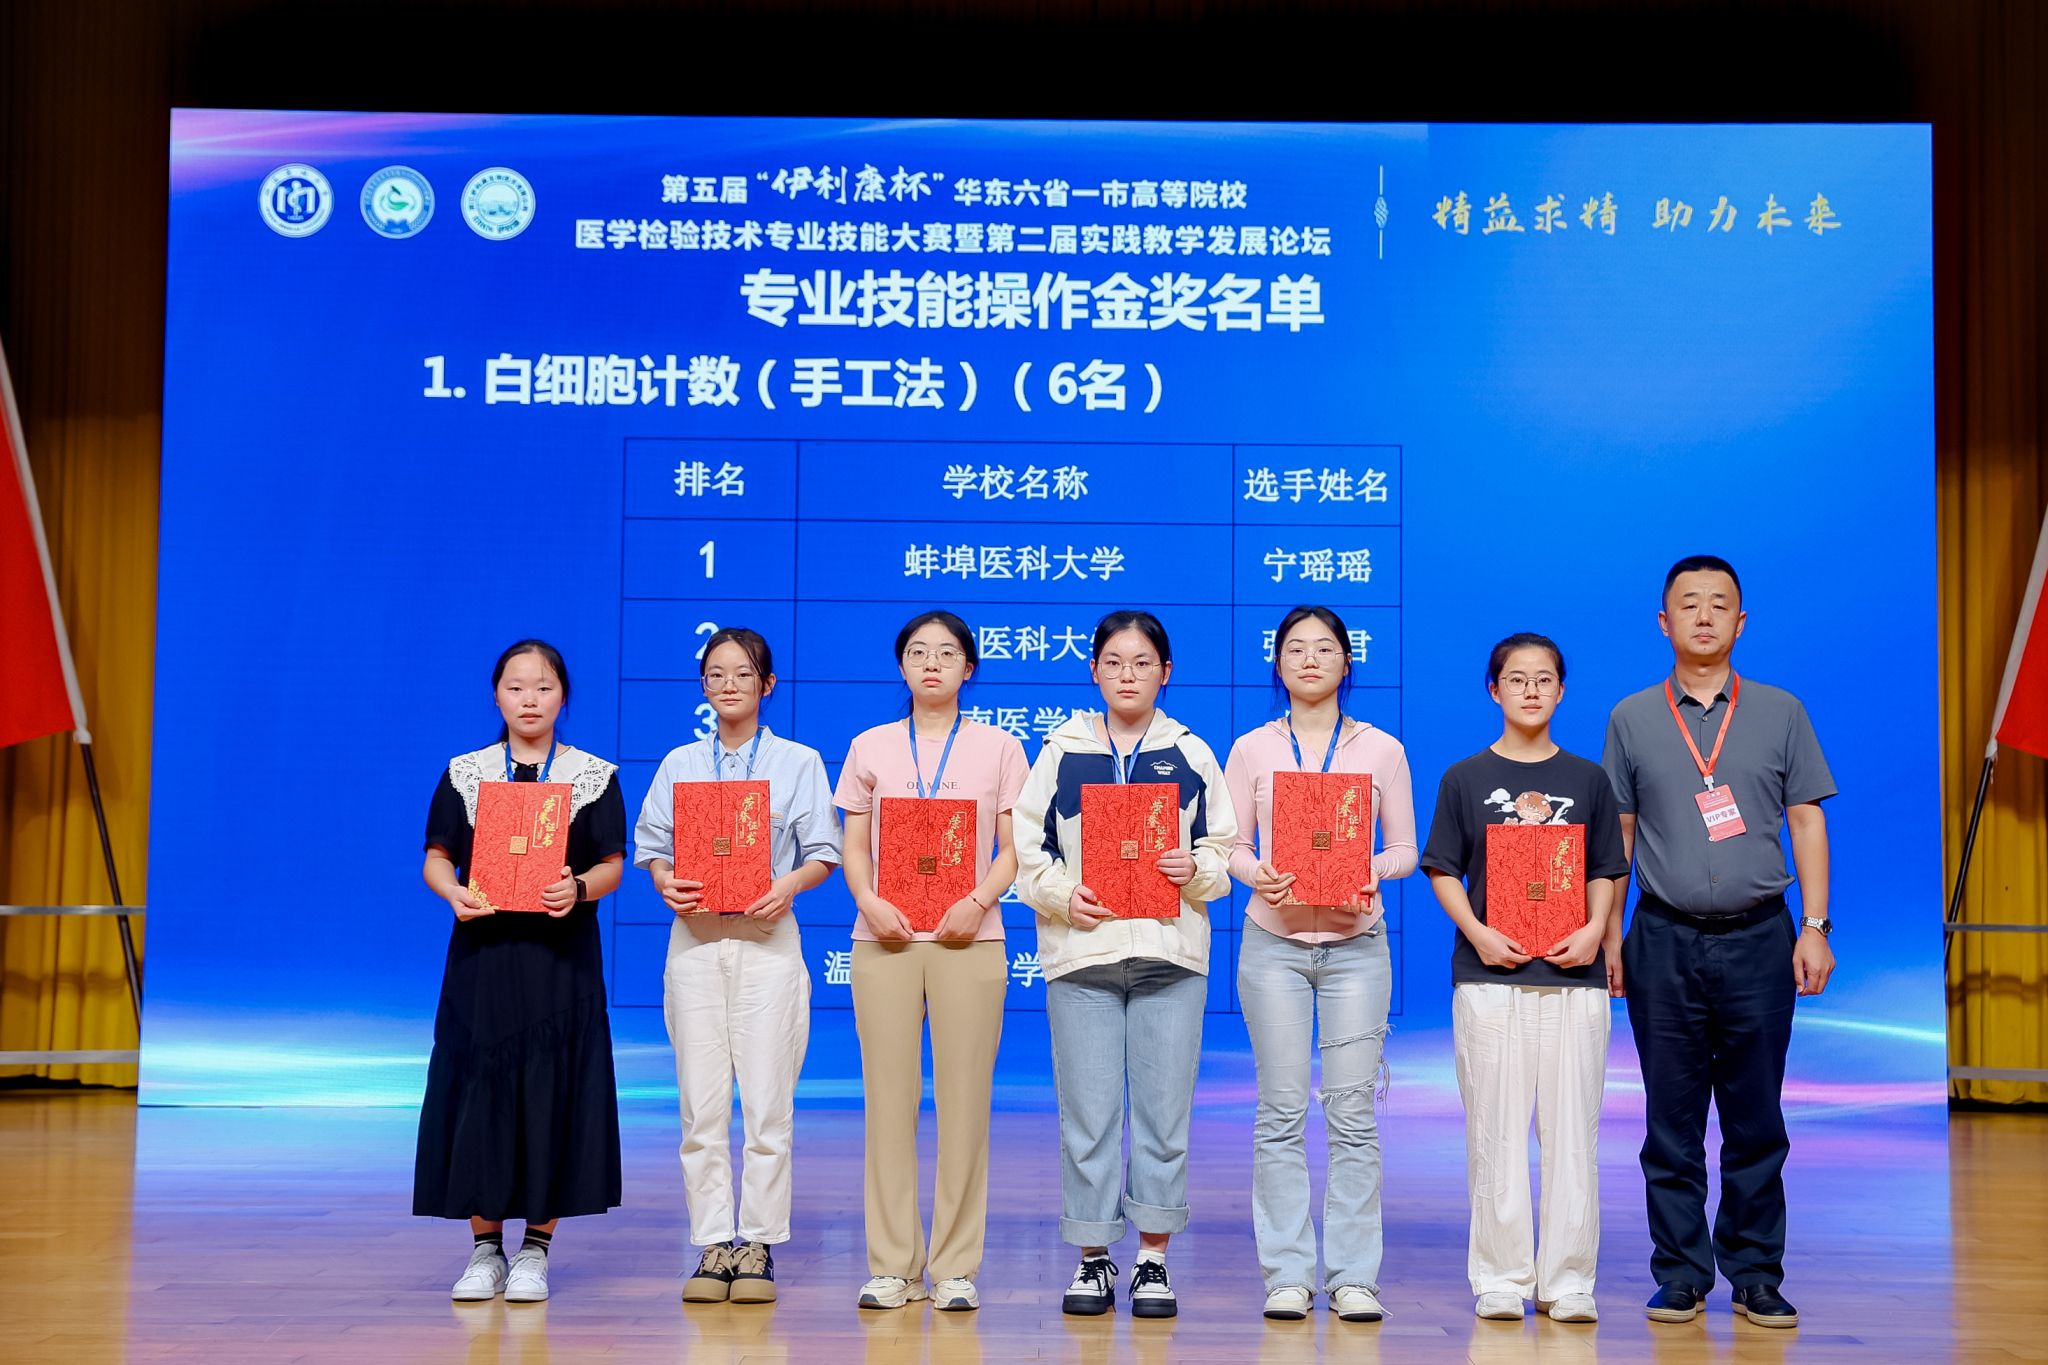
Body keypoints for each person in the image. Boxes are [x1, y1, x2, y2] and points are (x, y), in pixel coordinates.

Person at [1603, 555, 1837, 1330]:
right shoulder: (1632, 717)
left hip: (1761, 937)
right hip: (1662, 937)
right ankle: (1680, 1272)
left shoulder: (1781, 711)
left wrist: (1815, 926)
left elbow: (1806, 818)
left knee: (1755, 1116)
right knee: (1670, 1120)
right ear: (1663, 621)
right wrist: (1611, 933)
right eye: (1688, 603)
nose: (1704, 616)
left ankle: (1756, 1272)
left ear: (1741, 621)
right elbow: (1621, 832)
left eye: (1719, 604)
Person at [1014, 610, 1237, 1320]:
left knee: (1163, 1117)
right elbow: (1027, 849)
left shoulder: (1192, 752)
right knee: (1089, 1116)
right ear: (1094, 671)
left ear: (1165, 672)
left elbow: (1222, 849)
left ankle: (1152, 1260)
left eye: (1142, 663)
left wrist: (1195, 869)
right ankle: (1092, 1257)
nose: (1127, 675)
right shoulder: (1061, 750)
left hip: (1171, 956)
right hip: (1083, 955)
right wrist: (1062, 895)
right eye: (1113, 662)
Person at [1421, 632, 1627, 1324]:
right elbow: (1443, 868)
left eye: (1544, 679)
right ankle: (1502, 1277)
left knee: (1573, 1135)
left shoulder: (1588, 779)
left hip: (1575, 978)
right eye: (1517, 678)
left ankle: (1568, 1280)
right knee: (1496, 1133)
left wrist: (1594, 931)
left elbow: (1606, 868)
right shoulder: (1465, 778)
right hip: (1490, 978)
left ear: (1561, 691)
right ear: (1494, 690)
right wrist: (1478, 931)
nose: (1531, 690)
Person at [415, 639, 627, 1304]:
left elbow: (612, 865)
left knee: (554, 1092)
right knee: (479, 1092)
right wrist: (453, 892)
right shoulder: (466, 773)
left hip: (560, 962)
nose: (529, 699)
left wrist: (579, 888)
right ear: (496, 695)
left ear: (563, 695)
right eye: (515, 687)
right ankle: (485, 1251)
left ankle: (536, 1250)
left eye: (542, 687)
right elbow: (436, 857)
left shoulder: (593, 775)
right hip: (483, 958)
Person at [633, 628, 841, 1305]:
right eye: (716, 674)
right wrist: (664, 880)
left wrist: (790, 885)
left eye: (743, 673)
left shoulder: (798, 761)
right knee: (700, 1104)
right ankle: (712, 1241)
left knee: (767, 1101)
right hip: (694, 943)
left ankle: (757, 1242)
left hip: (766, 941)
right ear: (703, 685)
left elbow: (823, 851)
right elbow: (652, 845)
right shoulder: (680, 763)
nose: (729, 685)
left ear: (767, 685)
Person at [1222, 605, 1415, 1324]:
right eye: (1296, 648)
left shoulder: (1382, 749)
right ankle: (1287, 1274)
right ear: (1277, 663)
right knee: (1279, 1111)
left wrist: (1372, 870)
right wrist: (1257, 874)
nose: (1310, 659)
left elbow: (1405, 848)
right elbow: (1231, 844)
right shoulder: (1251, 748)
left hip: (1356, 948)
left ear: (1346, 661)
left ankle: (1354, 1276)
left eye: (1325, 648)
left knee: (1353, 1113)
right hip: (1272, 944)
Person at [835, 611, 1029, 1313]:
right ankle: (893, 1265)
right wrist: (869, 900)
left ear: (968, 668)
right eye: (918, 652)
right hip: (883, 939)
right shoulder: (870, 745)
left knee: (964, 1104)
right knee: (888, 1103)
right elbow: (855, 844)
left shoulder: (1000, 747)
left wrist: (977, 901)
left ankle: (954, 1267)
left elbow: (1013, 848)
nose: (931, 664)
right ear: (902, 666)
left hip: (968, 939)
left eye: (947, 653)